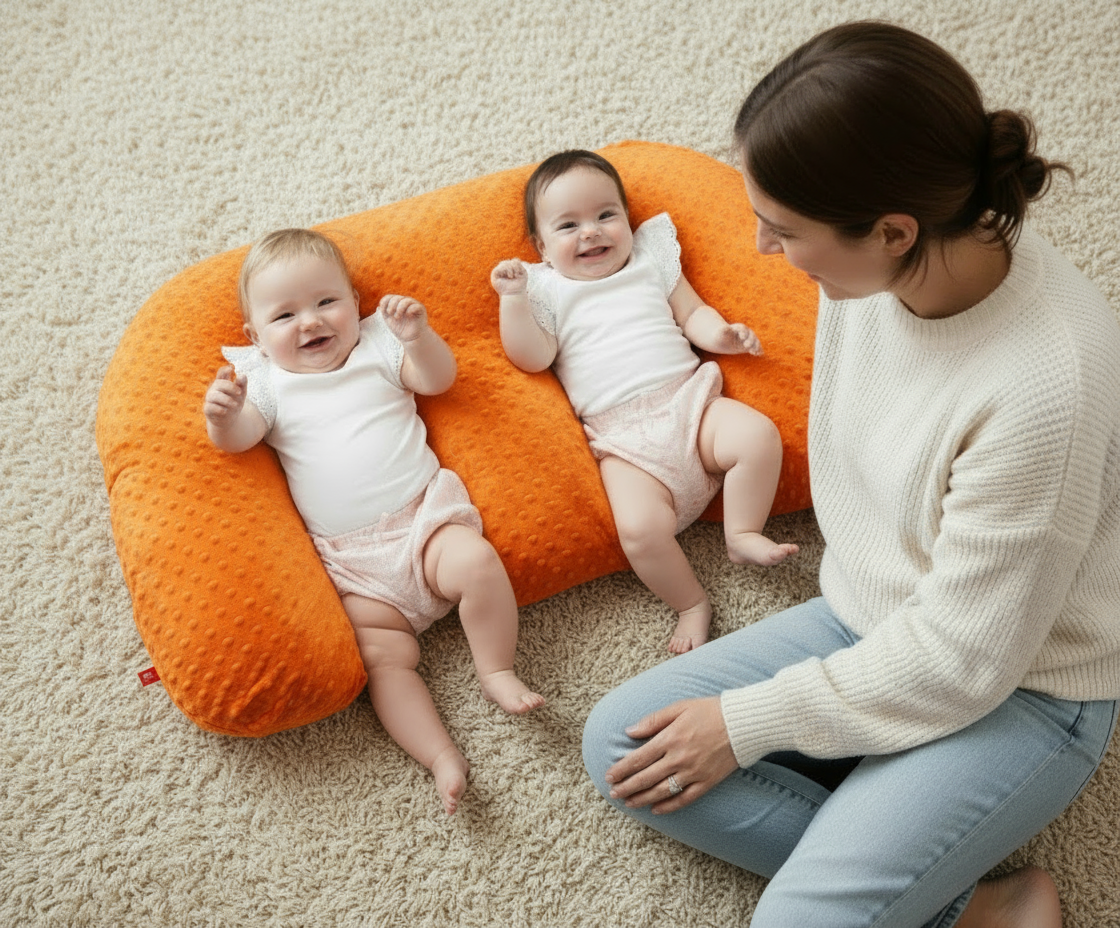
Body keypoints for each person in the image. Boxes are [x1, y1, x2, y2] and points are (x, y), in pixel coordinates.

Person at [582, 21, 1120, 928]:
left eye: (783, 230)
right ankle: (971, 906)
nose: (760, 247)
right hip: (873, 614)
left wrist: (751, 724)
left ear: (892, 228)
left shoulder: (1044, 387)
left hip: (1026, 683)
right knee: (622, 749)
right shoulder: (876, 277)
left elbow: (964, 658)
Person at [203, 228, 544, 816]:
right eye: (285, 314)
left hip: (424, 522)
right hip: (354, 562)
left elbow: (437, 379)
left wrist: (420, 338)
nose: (310, 322)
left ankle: (497, 669)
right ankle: (439, 755)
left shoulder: (379, 347)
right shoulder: (266, 383)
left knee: (478, 563)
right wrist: (223, 417)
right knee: (382, 660)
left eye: (326, 302)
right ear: (254, 337)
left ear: (355, 303)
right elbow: (238, 443)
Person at [491, 150, 797, 654]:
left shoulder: (651, 260)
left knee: (757, 435)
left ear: (628, 221)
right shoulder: (544, 289)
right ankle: (691, 603)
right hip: (624, 440)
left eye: (606, 215)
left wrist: (722, 334)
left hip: (689, 403)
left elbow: (692, 313)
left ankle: (743, 531)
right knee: (638, 532)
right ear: (541, 247)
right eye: (568, 225)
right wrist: (513, 302)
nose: (591, 232)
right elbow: (532, 357)